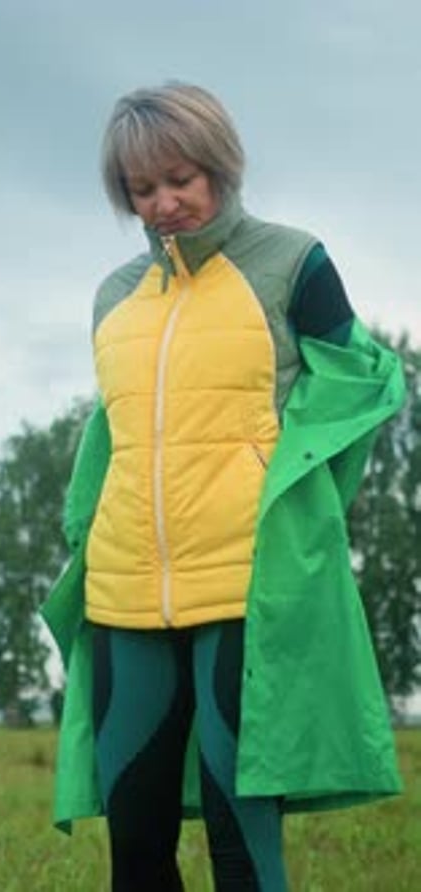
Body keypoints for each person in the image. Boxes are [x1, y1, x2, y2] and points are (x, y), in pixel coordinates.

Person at [41, 83, 405, 892]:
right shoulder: (114, 298)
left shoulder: (292, 262)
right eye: (143, 190)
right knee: (135, 852)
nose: (165, 203)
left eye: (181, 179)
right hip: (126, 592)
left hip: (246, 588)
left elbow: (359, 391)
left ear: (219, 168)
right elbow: (112, 434)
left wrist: (300, 512)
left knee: (241, 846)